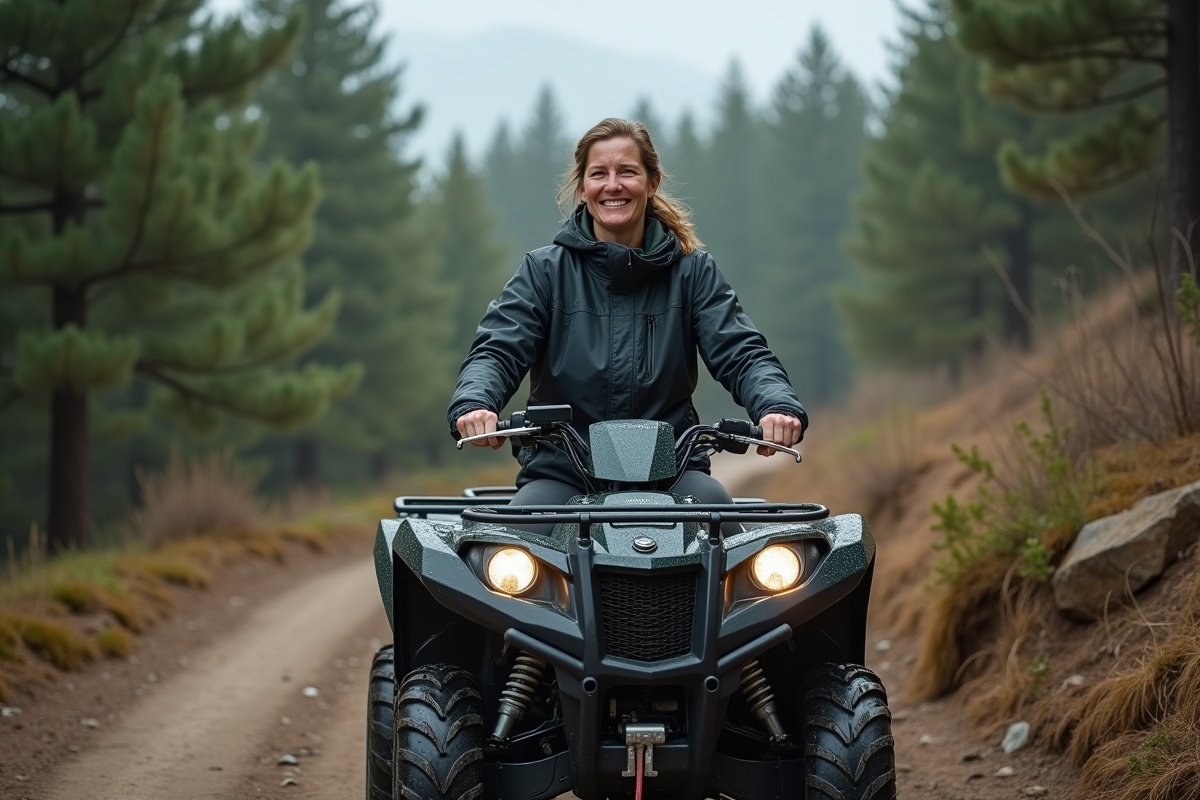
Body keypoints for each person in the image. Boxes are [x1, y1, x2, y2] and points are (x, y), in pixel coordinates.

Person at [448, 117, 806, 514]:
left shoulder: (692, 272)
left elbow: (742, 352)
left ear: (651, 183)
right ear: (583, 188)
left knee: (721, 526)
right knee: (516, 540)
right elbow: (497, 349)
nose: (613, 185)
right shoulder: (544, 272)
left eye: (627, 172)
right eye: (599, 173)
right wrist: (475, 404)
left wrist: (777, 407)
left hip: (673, 474)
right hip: (561, 474)